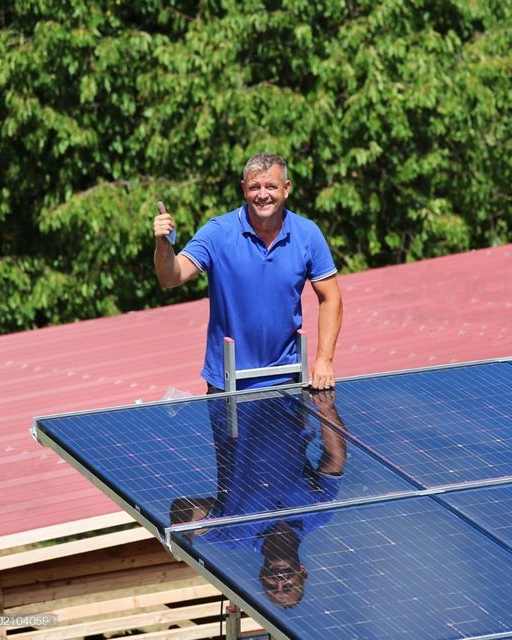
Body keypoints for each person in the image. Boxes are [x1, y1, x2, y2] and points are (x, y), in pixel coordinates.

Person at [153, 153, 342, 392]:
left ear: (286, 188)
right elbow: (171, 277)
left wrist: (324, 360)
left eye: (271, 186)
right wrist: (163, 243)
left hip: (288, 377)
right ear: (244, 189)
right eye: (255, 187)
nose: (263, 195)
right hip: (227, 382)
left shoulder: (308, 234)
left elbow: (331, 297)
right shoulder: (218, 232)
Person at [170, 389, 347, 608]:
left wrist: (183, 532)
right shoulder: (319, 515)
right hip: (284, 390)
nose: (280, 582)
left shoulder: (232, 535)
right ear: (303, 572)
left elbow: (183, 506)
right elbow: (335, 459)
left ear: (261, 576)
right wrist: (327, 411)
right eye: (289, 585)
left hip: (229, 394)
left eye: (273, 586)